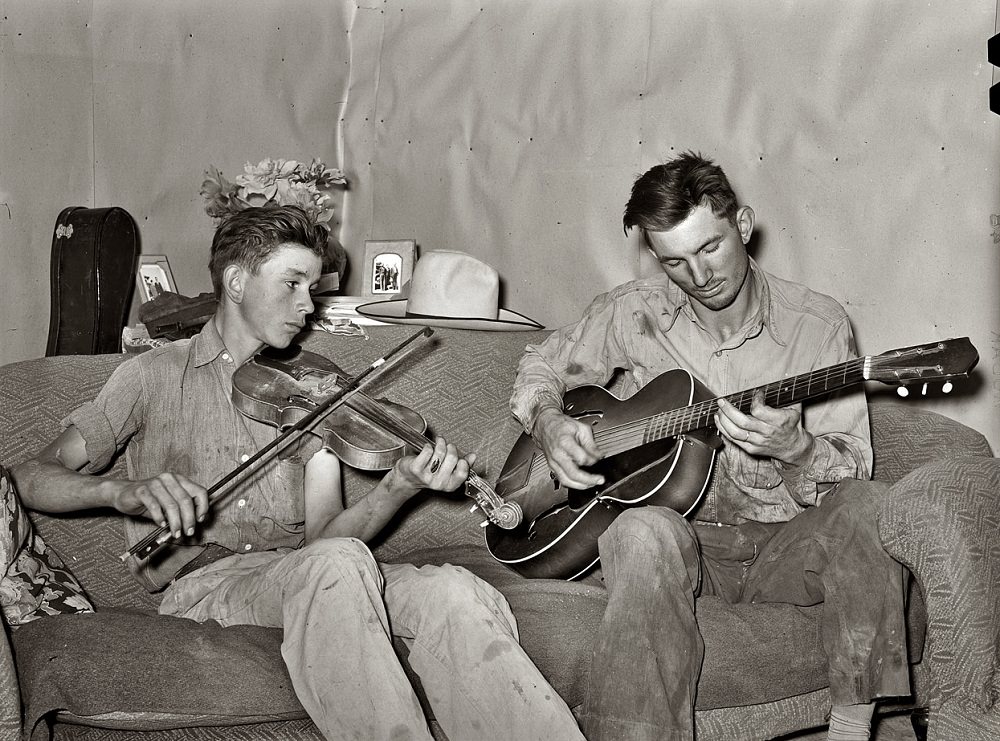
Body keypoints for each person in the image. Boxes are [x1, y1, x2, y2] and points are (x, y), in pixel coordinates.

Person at [11, 205, 585, 741]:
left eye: (312, 288)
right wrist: (123, 491)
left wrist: (397, 487)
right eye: (292, 283)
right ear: (236, 282)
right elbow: (31, 476)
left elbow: (325, 541)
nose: (308, 304)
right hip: (206, 586)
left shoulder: (310, 392)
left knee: (456, 591)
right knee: (335, 567)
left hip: (303, 576)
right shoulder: (152, 376)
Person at [508, 152, 909, 741]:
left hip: (783, 549)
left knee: (868, 506)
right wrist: (547, 423)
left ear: (742, 226)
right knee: (638, 530)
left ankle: (853, 730)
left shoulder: (817, 325)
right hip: (685, 544)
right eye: (675, 261)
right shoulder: (632, 312)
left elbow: (855, 466)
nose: (699, 276)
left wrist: (797, 449)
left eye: (711, 248)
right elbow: (540, 363)